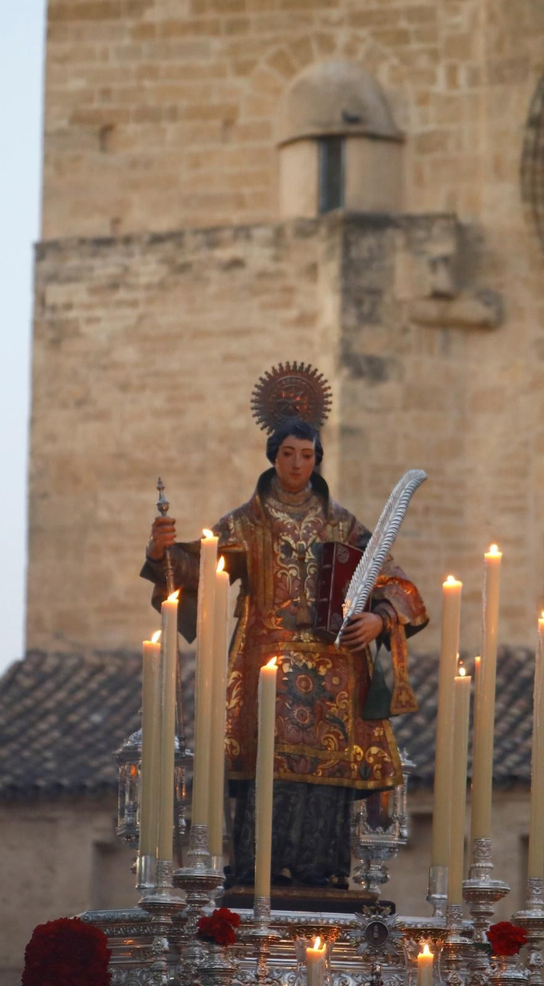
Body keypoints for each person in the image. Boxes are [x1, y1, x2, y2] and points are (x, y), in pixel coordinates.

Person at [141, 365, 427, 891]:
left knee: (326, 785)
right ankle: (257, 869)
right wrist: (162, 554)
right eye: (289, 454)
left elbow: (399, 584)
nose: (298, 464)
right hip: (264, 671)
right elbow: (198, 571)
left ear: (318, 460)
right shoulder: (244, 524)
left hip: (335, 676)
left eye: (308, 455)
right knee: (265, 774)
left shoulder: (342, 524)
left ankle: (324, 871)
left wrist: (378, 618)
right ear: (273, 456)